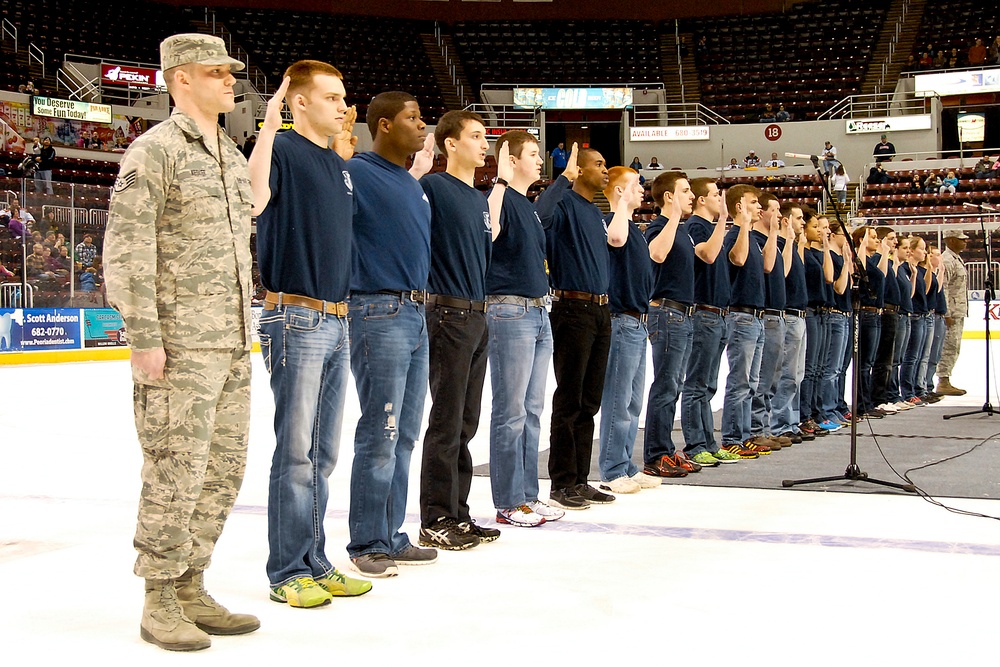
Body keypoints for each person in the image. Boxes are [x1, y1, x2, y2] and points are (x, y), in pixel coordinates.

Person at [103, 33, 260, 652]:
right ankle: (159, 597)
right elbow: (127, 246)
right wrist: (143, 337)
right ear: (181, 79)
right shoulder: (155, 150)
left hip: (230, 342)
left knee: (223, 470)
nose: (230, 81)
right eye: (217, 72)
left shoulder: (224, 149)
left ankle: (193, 583)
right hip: (180, 346)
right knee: (175, 470)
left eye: (229, 73)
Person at [251, 60, 372, 608]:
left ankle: (316, 559)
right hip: (294, 317)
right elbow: (253, 202)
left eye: (343, 97)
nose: (343, 107)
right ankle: (286, 571)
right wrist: (269, 120)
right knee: (296, 453)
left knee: (322, 453)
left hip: (337, 317)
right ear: (300, 102)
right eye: (330, 97)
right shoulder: (280, 150)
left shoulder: (338, 164)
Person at [343, 91, 439, 577]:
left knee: (403, 434)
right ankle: (367, 541)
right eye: (413, 118)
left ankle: (392, 534)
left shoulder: (408, 181)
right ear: (383, 125)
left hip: (415, 312)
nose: (423, 126)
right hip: (378, 309)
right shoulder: (357, 173)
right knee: (380, 433)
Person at [417, 110, 505, 548]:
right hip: (448, 314)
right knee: (446, 421)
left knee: (466, 423)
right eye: (475, 136)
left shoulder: (477, 198)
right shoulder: (432, 188)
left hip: (478, 315)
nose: (483, 144)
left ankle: (459, 512)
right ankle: (435, 517)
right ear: (450, 143)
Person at [485, 130, 567, 526]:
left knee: (533, 409)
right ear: (511, 159)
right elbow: (492, 230)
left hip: (538, 311)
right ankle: (507, 501)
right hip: (509, 311)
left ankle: (528, 495)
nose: (540, 160)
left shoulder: (531, 206)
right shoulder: (499, 197)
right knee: (511, 410)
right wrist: (499, 180)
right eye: (533, 154)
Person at [544, 147, 630, 509]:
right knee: (570, 396)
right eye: (599, 164)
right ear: (578, 170)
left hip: (599, 309)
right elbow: (540, 220)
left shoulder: (595, 212)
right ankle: (562, 482)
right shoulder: (562, 203)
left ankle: (580, 478)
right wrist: (561, 178)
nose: (606, 170)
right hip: (572, 307)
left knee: (589, 399)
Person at [597, 166, 659, 494]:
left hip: (639, 321)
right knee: (619, 399)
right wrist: (620, 202)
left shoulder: (635, 227)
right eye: (636, 185)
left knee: (633, 401)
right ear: (620, 191)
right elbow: (615, 238)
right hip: (621, 319)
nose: (642, 190)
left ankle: (627, 463)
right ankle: (612, 468)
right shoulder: (613, 222)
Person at [642, 172, 701, 477]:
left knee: (674, 385)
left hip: (683, 313)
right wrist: (673, 218)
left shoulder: (682, 231)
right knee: (665, 385)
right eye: (685, 191)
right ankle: (655, 454)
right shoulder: (658, 228)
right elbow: (656, 254)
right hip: (667, 312)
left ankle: (664, 446)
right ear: (668, 196)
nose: (691, 196)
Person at [680, 179, 743, 466]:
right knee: (696, 383)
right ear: (702, 200)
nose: (721, 199)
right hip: (703, 312)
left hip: (718, 312)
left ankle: (708, 440)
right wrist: (723, 222)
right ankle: (694, 444)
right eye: (716, 195)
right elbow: (706, 254)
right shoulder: (695, 225)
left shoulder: (711, 227)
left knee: (708, 385)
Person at [719, 184, 776, 457]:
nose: (760, 208)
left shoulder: (753, 237)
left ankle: (743, 434)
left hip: (757, 315)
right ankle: (732, 437)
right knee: (740, 381)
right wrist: (741, 225)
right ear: (739, 206)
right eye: (754, 202)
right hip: (741, 314)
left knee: (751, 381)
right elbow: (738, 259)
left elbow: (767, 266)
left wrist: (774, 231)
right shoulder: (735, 235)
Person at [749, 191, 794, 450]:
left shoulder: (772, 240)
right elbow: (767, 268)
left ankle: (765, 426)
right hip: (764, 312)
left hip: (779, 311)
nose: (779, 215)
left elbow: (782, 270)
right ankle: (756, 428)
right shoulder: (755, 238)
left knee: (774, 375)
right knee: (762, 377)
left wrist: (784, 238)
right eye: (774, 210)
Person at [770, 201, 811, 442]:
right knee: (786, 373)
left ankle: (791, 420)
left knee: (797, 374)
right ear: (786, 221)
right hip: (789, 314)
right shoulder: (780, 245)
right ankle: (780, 423)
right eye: (798, 218)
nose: (803, 223)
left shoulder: (793, 247)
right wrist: (787, 241)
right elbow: (783, 273)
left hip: (799, 314)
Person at [937, 229, 969, 395]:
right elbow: (944, 288)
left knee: (954, 346)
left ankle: (945, 378)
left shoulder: (956, 259)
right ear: (950, 241)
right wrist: (946, 312)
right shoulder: (947, 260)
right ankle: (943, 380)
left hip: (958, 310)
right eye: (961, 239)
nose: (965, 242)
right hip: (952, 312)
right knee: (949, 346)